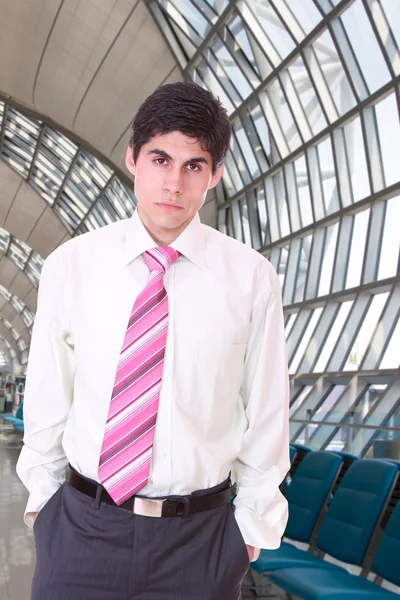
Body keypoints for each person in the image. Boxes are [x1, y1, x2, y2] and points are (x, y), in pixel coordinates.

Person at [16, 81, 290, 600]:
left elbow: (268, 411)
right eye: (160, 159)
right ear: (132, 159)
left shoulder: (250, 279)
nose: (174, 183)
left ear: (215, 175)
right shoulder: (72, 266)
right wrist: (45, 508)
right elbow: (49, 400)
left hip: (199, 541)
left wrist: (247, 533)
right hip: (81, 529)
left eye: (194, 165)